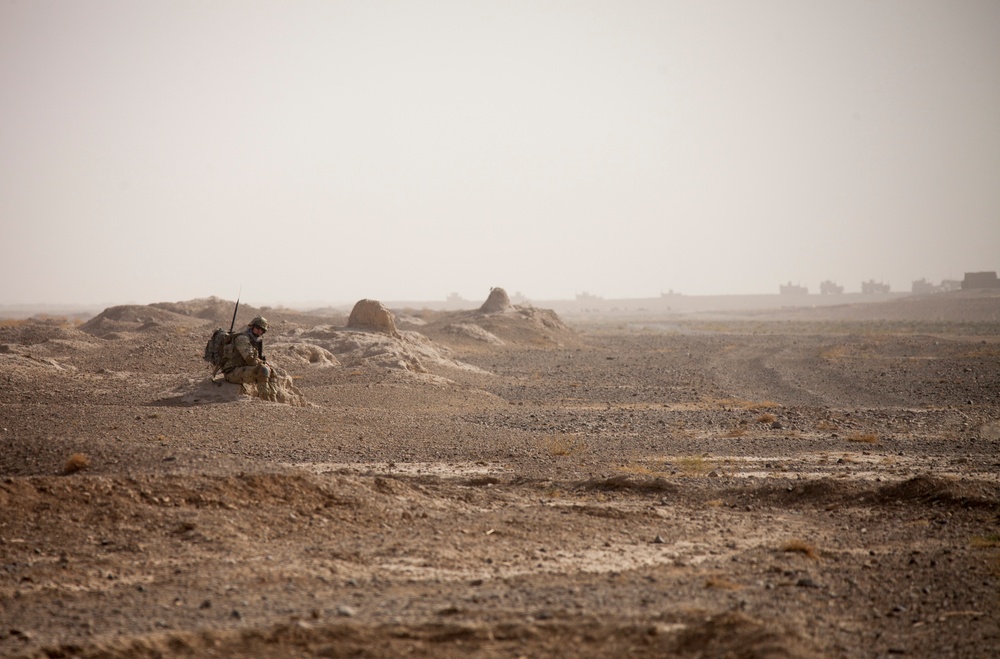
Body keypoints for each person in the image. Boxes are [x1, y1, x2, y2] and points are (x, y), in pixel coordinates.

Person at [223, 315, 273, 386]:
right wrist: (262, 363)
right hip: (232, 371)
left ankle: (271, 396)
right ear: (252, 326)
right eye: (258, 328)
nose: (259, 331)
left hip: (242, 368)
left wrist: (264, 362)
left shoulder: (255, 340)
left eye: (262, 330)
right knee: (263, 370)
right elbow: (251, 360)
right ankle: (263, 396)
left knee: (272, 371)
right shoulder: (242, 338)